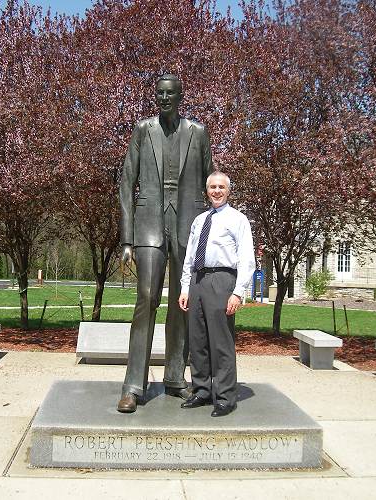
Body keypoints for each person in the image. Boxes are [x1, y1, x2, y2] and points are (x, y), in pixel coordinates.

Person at [117, 74, 213, 413]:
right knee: (146, 298)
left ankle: (175, 376)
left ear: (181, 95)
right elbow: (127, 181)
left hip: (188, 223)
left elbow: (211, 183)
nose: (164, 98)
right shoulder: (144, 129)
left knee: (181, 302)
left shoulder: (197, 133)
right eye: (159, 93)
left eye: (170, 93)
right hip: (148, 226)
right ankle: (133, 385)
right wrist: (126, 238)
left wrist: (212, 233)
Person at [178, 172, 254, 417]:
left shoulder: (238, 219)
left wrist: (238, 292)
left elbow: (247, 259)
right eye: (212, 187)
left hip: (222, 280)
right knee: (197, 340)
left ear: (228, 190)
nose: (217, 191)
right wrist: (185, 287)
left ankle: (224, 397)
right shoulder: (200, 220)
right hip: (198, 281)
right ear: (207, 190)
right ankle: (201, 390)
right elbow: (190, 257)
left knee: (221, 342)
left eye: (221, 187)